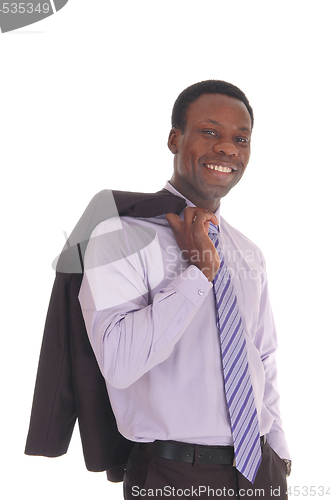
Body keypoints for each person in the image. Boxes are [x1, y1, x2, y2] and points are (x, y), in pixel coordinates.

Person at [78, 80, 291, 499]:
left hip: (262, 473)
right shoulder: (119, 236)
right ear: (175, 139)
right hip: (174, 476)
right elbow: (120, 363)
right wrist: (197, 275)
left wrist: (280, 456)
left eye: (240, 138)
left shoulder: (248, 252)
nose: (228, 148)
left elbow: (262, 358)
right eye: (210, 132)